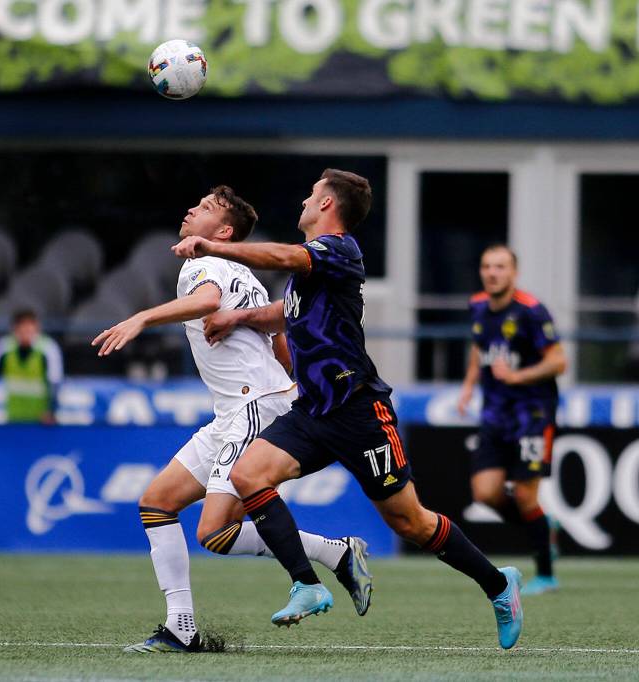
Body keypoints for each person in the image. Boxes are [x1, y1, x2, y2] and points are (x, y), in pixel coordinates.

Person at [176, 169, 524, 650]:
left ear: (327, 207)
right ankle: (307, 583)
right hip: (314, 410)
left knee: (411, 522)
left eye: (312, 194)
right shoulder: (310, 271)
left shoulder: (338, 250)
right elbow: (288, 311)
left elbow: (282, 255)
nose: (304, 198)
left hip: (359, 410)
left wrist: (213, 248)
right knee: (249, 476)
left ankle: (499, 586)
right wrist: (241, 317)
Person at [94, 186, 372, 654]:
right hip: (239, 410)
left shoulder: (201, 266)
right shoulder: (243, 273)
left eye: (203, 208)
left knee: (216, 532)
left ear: (223, 232)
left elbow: (205, 303)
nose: (190, 208)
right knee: (157, 502)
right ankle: (181, 626)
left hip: (252, 407)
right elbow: (276, 338)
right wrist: (294, 383)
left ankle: (332, 554)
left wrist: (141, 318)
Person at [458, 245, 566, 596]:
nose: (492, 272)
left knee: (524, 494)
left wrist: (519, 376)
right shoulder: (477, 305)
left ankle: (546, 573)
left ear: (513, 273)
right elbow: (479, 348)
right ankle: (542, 527)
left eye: (500, 267)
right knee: (486, 492)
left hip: (532, 414)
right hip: (495, 414)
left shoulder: (532, 312)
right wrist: (468, 386)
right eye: (487, 266)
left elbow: (559, 362)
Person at [0, 309, 63, 424]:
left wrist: (51, 411)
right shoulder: (3, 348)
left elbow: (55, 383)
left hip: (40, 422)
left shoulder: (48, 349)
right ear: (14, 329)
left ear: (37, 328)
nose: (26, 331)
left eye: (30, 327)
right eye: (22, 327)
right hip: (12, 419)